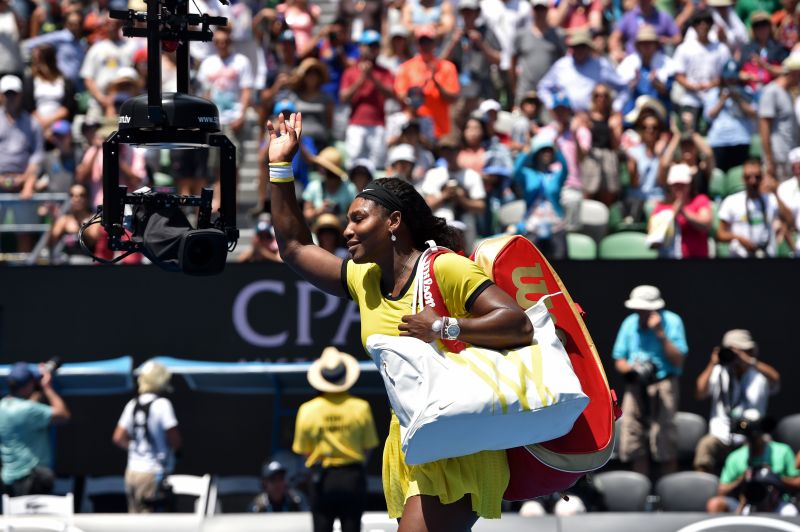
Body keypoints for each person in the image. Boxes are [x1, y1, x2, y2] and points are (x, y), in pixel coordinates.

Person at [269, 111, 533, 530]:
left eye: (359, 219)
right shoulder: (365, 278)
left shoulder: (444, 268)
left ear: (393, 222)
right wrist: (281, 166)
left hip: (456, 440)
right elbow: (297, 247)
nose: (347, 229)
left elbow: (518, 324)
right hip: (410, 436)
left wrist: (445, 327)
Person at [292, 347, 379, 532]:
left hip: (321, 479)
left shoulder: (308, 410)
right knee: (352, 527)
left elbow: (303, 451)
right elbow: (369, 447)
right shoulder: (360, 407)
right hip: (352, 477)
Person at [612, 285, 688, 479]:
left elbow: (678, 359)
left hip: (664, 383)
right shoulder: (630, 323)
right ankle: (641, 490)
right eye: (638, 309)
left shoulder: (672, 321)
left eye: (644, 309)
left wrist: (660, 334)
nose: (640, 312)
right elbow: (619, 358)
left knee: (665, 437)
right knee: (634, 436)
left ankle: (670, 493)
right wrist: (630, 370)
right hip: (635, 384)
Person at [695, 330, 781, 476]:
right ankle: (703, 489)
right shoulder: (718, 372)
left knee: (763, 446)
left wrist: (749, 361)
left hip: (751, 434)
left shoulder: (760, 375)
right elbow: (699, 393)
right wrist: (712, 364)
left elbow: (776, 379)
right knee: (705, 446)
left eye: (743, 351)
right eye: (734, 352)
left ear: (751, 351)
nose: (737, 356)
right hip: (721, 435)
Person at [112, 360, 182, 513]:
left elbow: (118, 437)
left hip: (131, 472)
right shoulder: (163, 404)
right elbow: (175, 439)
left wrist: (136, 449)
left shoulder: (132, 404)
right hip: (152, 474)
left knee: (134, 522)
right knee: (150, 524)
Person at [706, 410, 800, 515]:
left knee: (791, 513)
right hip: (745, 504)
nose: (754, 435)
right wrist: (741, 480)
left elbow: (797, 482)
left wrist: (775, 478)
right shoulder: (735, 457)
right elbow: (721, 491)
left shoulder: (782, 451)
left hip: (776, 504)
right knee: (715, 504)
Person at [0, 362, 70, 496]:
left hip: (9, 480)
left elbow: (28, 408)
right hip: (32, 481)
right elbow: (63, 415)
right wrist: (47, 387)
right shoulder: (29, 410)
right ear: (26, 386)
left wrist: (36, 389)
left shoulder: (3, 406)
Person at [0, 74, 45, 253]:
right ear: (1, 95)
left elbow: (37, 155)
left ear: (20, 95)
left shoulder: (33, 124)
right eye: (7, 94)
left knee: (24, 233)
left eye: (14, 94)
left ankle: (24, 270)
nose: (11, 98)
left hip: (24, 186)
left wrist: (27, 181)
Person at [717, 158, 793, 258]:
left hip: (767, 257)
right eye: (748, 177)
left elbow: (789, 220)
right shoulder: (731, 201)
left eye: (757, 177)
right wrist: (738, 238)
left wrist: (775, 193)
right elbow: (720, 234)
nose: (753, 181)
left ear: (762, 178)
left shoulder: (770, 199)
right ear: (743, 179)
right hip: (740, 258)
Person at [340, 29, 395, 168]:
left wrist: (372, 77)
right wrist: (362, 79)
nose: (372, 49)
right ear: (361, 47)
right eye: (369, 46)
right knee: (353, 163)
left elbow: (390, 94)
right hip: (356, 123)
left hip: (378, 125)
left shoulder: (385, 71)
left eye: (375, 46)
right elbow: (343, 97)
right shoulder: (351, 72)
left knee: (377, 165)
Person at [421, 134, 487, 249]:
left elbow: (481, 206)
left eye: (452, 150)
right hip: (440, 227)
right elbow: (426, 206)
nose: (449, 154)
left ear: (459, 151)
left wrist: (461, 199)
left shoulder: (471, 176)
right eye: (445, 150)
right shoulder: (433, 174)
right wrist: (444, 195)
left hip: (465, 228)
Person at [537, 29, 625, 113]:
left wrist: (616, 107)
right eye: (576, 47)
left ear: (589, 48)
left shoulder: (600, 65)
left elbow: (623, 87)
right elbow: (543, 87)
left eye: (582, 46)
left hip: (594, 117)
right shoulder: (562, 65)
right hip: (567, 118)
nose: (579, 50)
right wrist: (552, 104)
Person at [394, 26, 460, 138]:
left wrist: (436, 82)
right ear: (417, 44)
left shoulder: (447, 67)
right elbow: (401, 96)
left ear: (435, 43)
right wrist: (417, 92)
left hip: (440, 129)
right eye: (422, 41)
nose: (425, 45)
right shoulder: (406, 67)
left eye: (429, 41)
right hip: (415, 129)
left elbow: (453, 98)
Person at [673, 9, 731, 134]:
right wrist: (692, 86)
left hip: (714, 98)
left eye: (707, 22)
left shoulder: (721, 49)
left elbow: (727, 74)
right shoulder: (684, 48)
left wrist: (712, 84)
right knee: (688, 133)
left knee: (712, 134)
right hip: (690, 98)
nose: (703, 25)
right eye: (699, 22)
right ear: (694, 26)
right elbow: (678, 75)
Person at [512, 132, 568, 259]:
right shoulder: (528, 174)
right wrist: (526, 152)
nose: (547, 153)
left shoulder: (556, 175)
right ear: (537, 154)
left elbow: (565, 168)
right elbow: (515, 171)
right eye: (543, 151)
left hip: (555, 224)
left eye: (549, 151)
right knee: (531, 262)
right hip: (533, 223)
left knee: (561, 261)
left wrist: (557, 150)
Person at [650, 164, 713, 259]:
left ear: (690, 185)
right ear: (670, 186)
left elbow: (706, 225)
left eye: (683, 185)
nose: (679, 188)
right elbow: (654, 237)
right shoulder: (660, 207)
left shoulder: (700, 200)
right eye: (675, 185)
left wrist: (683, 212)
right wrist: (672, 215)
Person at [759, 54, 800, 183]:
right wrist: (769, 160)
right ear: (794, 73)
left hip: (789, 157)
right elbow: (764, 127)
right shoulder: (771, 92)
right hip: (778, 159)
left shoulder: (787, 93)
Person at [608, 0, 680, 63]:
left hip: (659, 62)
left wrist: (665, 40)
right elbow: (614, 38)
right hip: (633, 61)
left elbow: (677, 38)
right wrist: (617, 51)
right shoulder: (629, 17)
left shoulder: (663, 17)